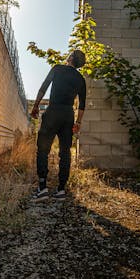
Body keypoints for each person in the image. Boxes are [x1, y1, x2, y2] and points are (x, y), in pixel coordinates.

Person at [29, 49, 86, 201]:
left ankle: (42, 188)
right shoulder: (81, 79)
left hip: (53, 112)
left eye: (70, 54)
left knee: (43, 149)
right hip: (68, 115)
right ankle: (61, 190)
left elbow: (43, 87)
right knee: (65, 152)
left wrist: (35, 106)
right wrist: (78, 122)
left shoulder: (57, 69)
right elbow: (82, 105)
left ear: (71, 58)